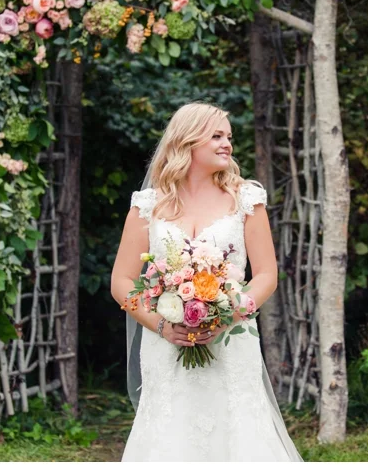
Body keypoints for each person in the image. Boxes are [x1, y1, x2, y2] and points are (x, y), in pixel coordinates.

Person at [111, 102, 302, 461]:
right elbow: (121, 281)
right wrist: (162, 325)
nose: (227, 143)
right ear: (187, 142)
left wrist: (226, 315)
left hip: (230, 344)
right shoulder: (148, 206)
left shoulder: (246, 199)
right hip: (165, 346)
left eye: (229, 136)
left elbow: (266, 275)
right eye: (216, 136)